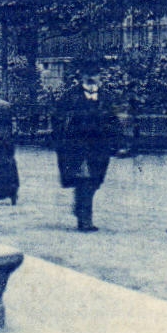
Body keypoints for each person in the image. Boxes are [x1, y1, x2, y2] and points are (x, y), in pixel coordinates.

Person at [54, 66, 120, 232]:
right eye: (87, 74)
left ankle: (80, 207)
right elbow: (58, 118)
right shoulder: (70, 96)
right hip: (77, 146)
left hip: (99, 147)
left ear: (100, 76)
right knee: (86, 181)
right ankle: (85, 220)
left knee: (95, 181)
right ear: (81, 76)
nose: (91, 78)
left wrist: (116, 142)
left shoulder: (106, 97)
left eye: (94, 74)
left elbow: (114, 121)